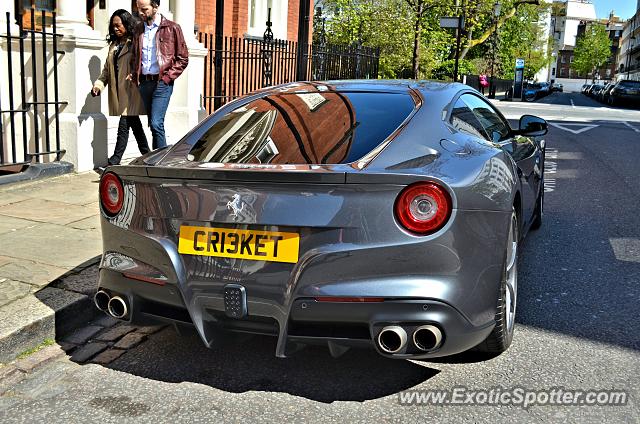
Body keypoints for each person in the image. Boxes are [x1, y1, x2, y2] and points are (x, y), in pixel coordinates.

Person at [91, 9, 150, 166]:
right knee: (134, 124)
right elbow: (106, 70)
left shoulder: (135, 42)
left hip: (132, 90)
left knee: (124, 125)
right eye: (113, 26)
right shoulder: (113, 45)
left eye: (118, 25)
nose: (116, 28)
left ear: (126, 23)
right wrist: (98, 85)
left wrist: (135, 74)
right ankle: (148, 155)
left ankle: (115, 160)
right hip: (119, 91)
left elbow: (143, 62)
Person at [135, 0, 189, 150]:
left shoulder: (172, 28)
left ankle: (161, 161)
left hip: (162, 83)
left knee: (156, 123)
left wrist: (167, 78)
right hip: (144, 83)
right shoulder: (138, 29)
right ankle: (155, 158)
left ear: (155, 7)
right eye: (138, 8)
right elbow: (135, 55)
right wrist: (135, 74)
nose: (140, 12)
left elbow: (183, 58)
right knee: (153, 124)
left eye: (144, 9)